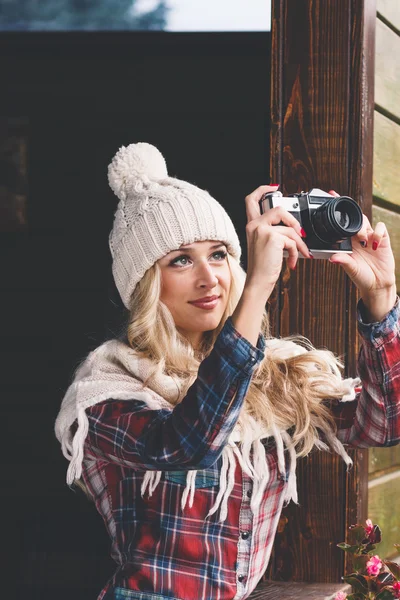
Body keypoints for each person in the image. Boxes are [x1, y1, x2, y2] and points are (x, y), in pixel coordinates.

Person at [55, 142, 400, 600]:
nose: (209, 277)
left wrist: (382, 301)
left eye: (219, 254)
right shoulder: (107, 389)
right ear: (143, 285)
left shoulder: (268, 375)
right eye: (181, 260)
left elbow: (382, 425)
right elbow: (185, 444)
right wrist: (257, 288)